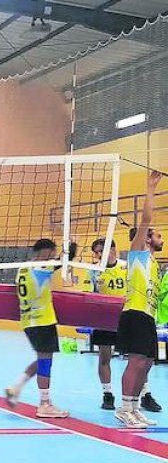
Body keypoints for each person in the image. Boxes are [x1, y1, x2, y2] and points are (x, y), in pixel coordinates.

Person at [115, 171, 163, 429]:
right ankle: (124, 408)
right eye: (157, 235)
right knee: (136, 361)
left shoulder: (155, 265)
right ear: (146, 238)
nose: (161, 239)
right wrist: (151, 188)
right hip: (134, 313)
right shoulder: (138, 255)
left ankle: (134, 406)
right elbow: (146, 219)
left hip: (148, 316)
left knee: (146, 363)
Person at [4, 239, 69, 418]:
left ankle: (15, 388)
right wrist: (69, 245)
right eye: (52, 252)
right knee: (46, 362)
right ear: (47, 251)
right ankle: (44, 404)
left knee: (42, 359)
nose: (54, 256)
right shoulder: (42, 267)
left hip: (28, 321)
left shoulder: (23, 268)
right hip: (43, 320)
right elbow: (65, 260)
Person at [89, 237, 126, 410]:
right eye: (95, 252)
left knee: (137, 356)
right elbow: (94, 293)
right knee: (104, 357)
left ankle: (145, 394)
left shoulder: (126, 266)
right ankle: (107, 394)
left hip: (126, 316)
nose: (97, 255)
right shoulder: (94, 270)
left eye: (100, 251)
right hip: (104, 317)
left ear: (113, 249)